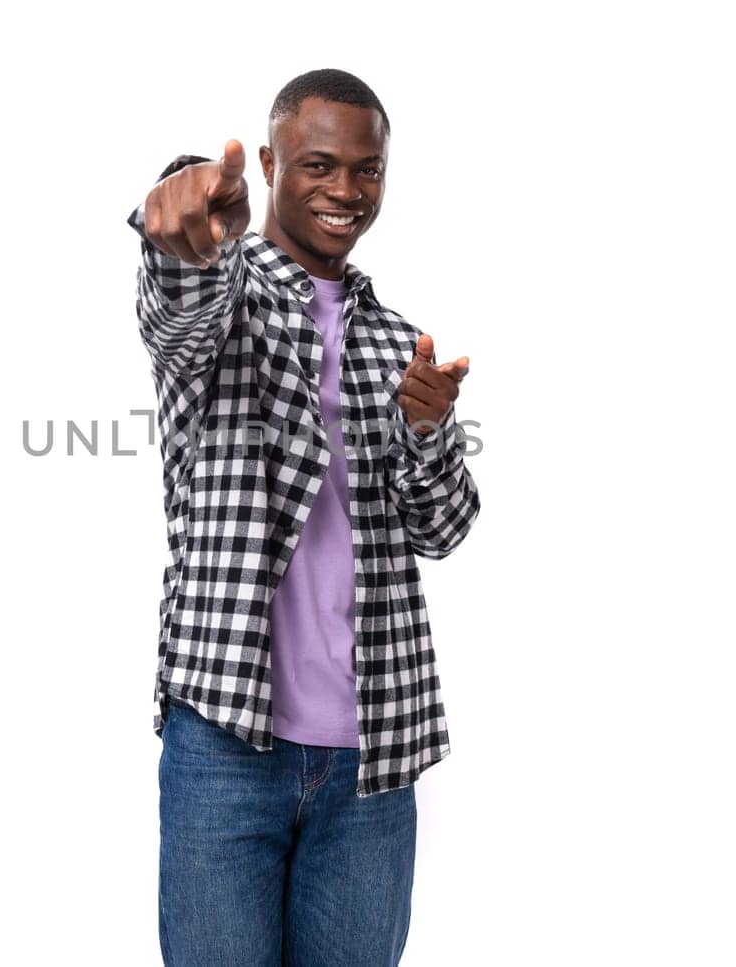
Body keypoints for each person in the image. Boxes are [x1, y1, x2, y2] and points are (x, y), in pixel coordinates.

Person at [130, 69, 481, 966]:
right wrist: (187, 228)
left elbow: (440, 528)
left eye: (367, 170)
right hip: (225, 742)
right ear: (276, 159)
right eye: (319, 163)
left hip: (372, 757)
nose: (345, 190)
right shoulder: (230, 291)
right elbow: (180, 311)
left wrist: (428, 429)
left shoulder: (398, 342)